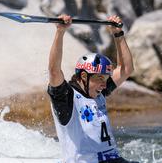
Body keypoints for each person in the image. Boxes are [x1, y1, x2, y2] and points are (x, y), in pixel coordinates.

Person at [47, 14, 138, 163]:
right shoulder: (66, 98)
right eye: (100, 78)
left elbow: (126, 69)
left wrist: (118, 34)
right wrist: (60, 32)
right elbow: (54, 72)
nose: (104, 84)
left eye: (106, 79)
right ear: (84, 76)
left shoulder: (98, 92)